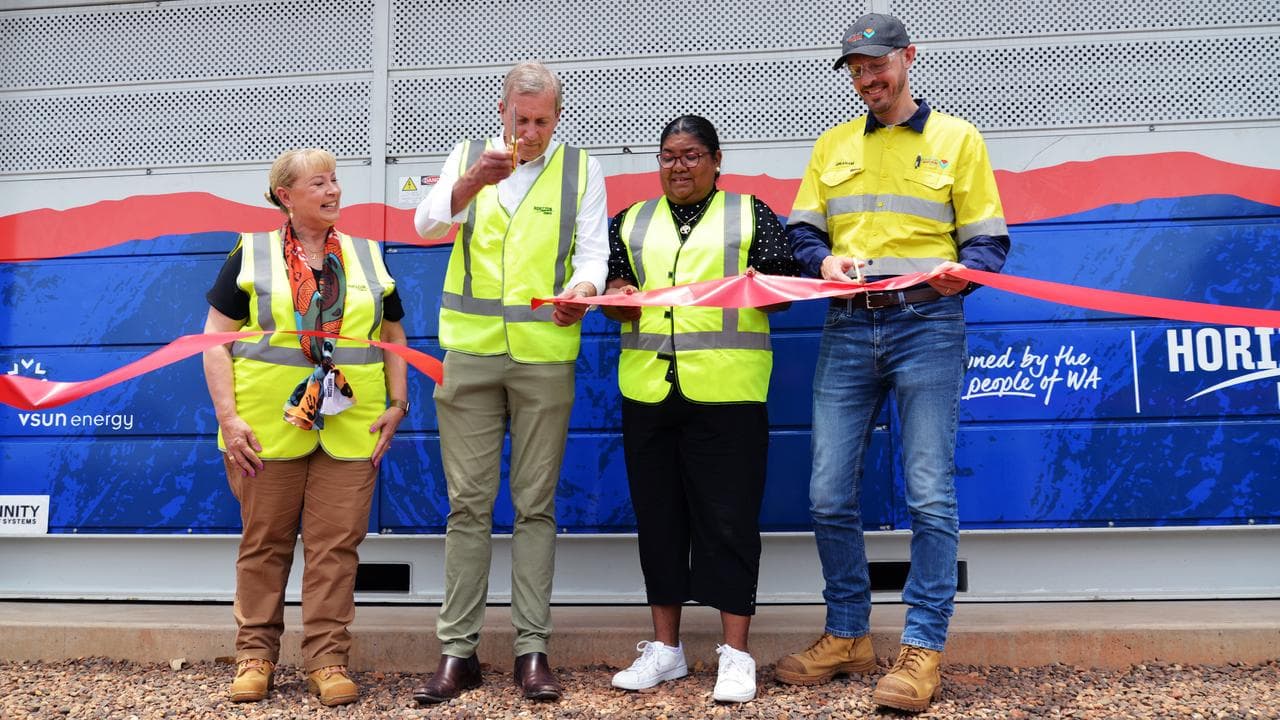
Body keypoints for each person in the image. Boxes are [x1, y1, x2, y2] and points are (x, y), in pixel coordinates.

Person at [774, 13, 1011, 714]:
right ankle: (848, 633)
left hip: (927, 324)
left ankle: (922, 649)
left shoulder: (959, 139)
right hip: (848, 324)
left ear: (909, 57)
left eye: (877, 65)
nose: (867, 79)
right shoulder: (832, 144)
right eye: (856, 70)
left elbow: (989, 243)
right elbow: (802, 232)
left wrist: (960, 275)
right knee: (826, 493)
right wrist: (823, 261)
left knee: (929, 492)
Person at [410, 60, 607, 704]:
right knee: (467, 505)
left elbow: (593, 254)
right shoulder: (468, 156)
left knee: (535, 506)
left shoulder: (582, 169)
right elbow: (426, 225)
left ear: (558, 115)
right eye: (521, 120)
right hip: (470, 354)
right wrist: (472, 180)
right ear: (502, 112)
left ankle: (532, 651)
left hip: (544, 355)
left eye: (542, 121)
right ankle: (457, 653)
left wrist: (583, 290)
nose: (530, 133)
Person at [202, 148, 409, 707]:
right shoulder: (251, 253)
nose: (333, 190)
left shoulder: (368, 256)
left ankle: (328, 661)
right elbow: (214, 342)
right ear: (285, 196)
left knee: (335, 549)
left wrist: (399, 402)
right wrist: (229, 418)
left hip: (352, 427)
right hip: (265, 430)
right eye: (318, 183)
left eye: (335, 180)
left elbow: (393, 336)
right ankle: (254, 658)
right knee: (264, 545)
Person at [602, 115, 798, 703]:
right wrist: (618, 298)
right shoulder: (631, 221)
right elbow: (613, 291)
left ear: (716, 161)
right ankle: (666, 652)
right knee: (658, 521)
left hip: (728, 392)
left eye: (691, 155)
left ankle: (736, 656)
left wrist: (757, 285)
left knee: (729, 523)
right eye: (668, 156)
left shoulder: (750, 214)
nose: (678, 166)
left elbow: (785, 291)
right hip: (648, 391)